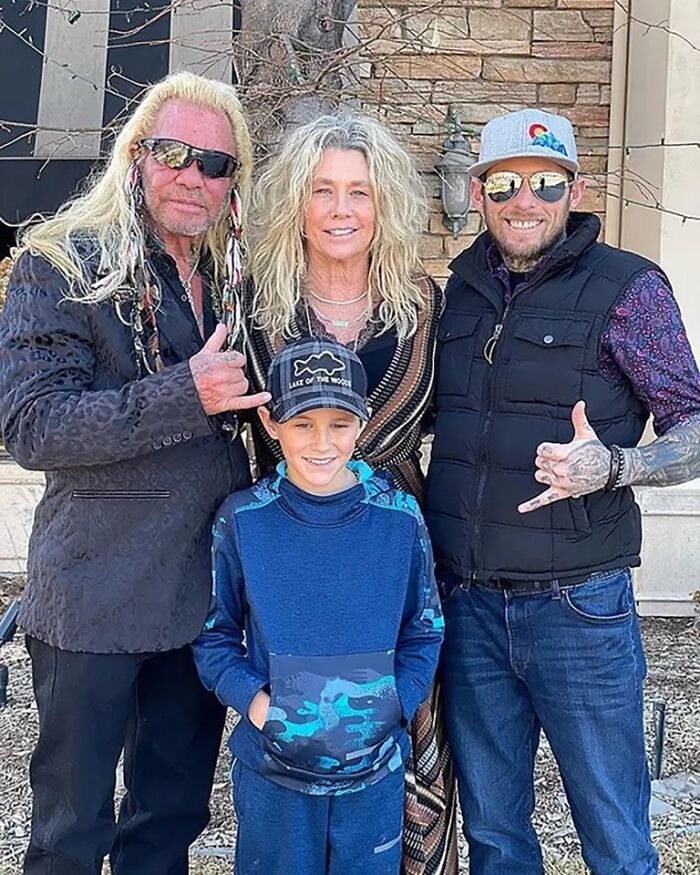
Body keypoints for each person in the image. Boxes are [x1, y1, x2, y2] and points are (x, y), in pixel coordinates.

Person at [0, 72, 270, 874]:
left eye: (216, 164)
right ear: (136, 157)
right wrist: (183, 393)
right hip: (93, 602)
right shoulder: (62, 264)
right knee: (69, 835)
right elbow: (33, 426)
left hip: (200, 606)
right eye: (174, 153)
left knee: (169, 821)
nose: (193, 176)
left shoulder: (235, 279)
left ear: (233, 185)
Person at [426, 107, 700, 874]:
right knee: (495, 835)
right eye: (506, 182)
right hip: (470, 606)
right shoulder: (457, 293)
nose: (526, 200)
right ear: (480, 191)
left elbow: (695, 420)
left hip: (579, 608)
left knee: (614, 835)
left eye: (546, 182)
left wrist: (617, 465)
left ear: (574, 188)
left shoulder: (628, 288)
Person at [242, 111, 459, 873]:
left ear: (384, 205)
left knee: (402, 737)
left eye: (359, 193)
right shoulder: (256, 307)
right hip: (292, 557)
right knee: (296, 756)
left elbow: (463, 422)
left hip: (393, 558)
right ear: (296, 203)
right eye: (323, 190)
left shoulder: (423, 307)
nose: (341, 210)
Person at [192, 337, 445, 874]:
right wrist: (262, 708)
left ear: (364, 420)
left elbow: (425, 630)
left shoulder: (400, 518)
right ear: (270, 421)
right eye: (302, 424)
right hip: (273, 777)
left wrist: (393, 700)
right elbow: (214, 637)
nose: (321, 443)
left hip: (372, 777)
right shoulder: (242, 520)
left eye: (339, 423)